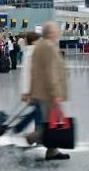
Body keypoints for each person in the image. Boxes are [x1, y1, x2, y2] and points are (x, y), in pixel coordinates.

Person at [25, 22, 70, 161]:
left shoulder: (40, 46)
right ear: (51, 33)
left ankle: (52, 150)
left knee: (51, 121)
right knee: (50, 122)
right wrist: (55, 93)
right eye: (56, 30)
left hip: (42, 91)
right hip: (48, 92)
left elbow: (35, 71)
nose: (58, 32)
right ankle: (33, 138)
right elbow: (51, 72)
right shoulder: (48, 48)